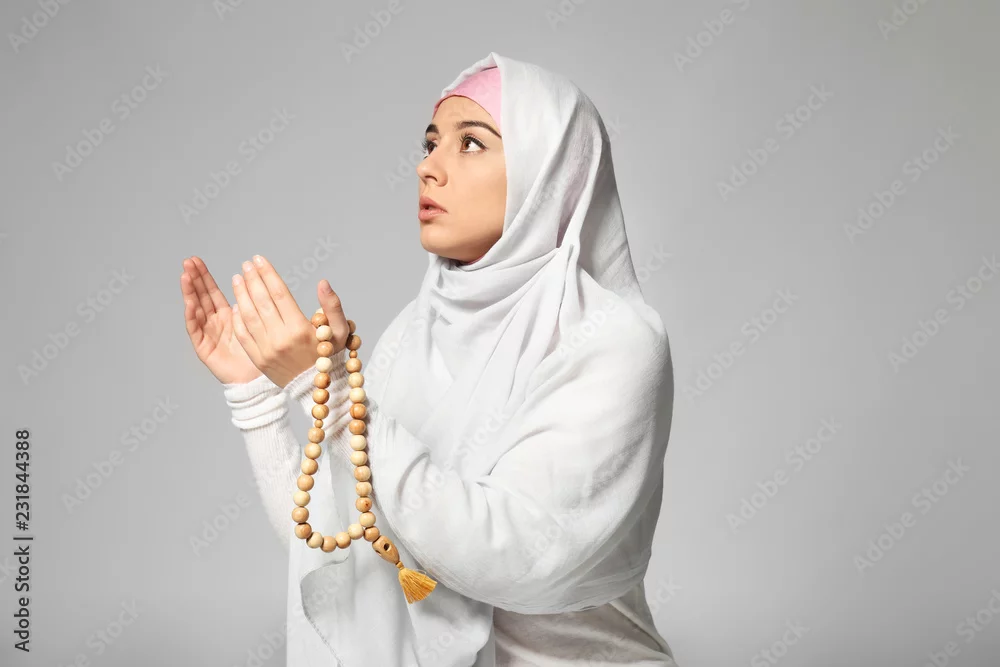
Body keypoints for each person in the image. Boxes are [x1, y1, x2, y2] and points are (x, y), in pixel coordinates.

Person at [179, 51, 677, 667]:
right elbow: (349, 552)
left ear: (549, 173)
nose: (428, 167)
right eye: (431, 142)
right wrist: (254, 394)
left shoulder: (616, 341)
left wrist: (333, 395)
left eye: (472, 143)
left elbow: (517, 558)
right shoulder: (413, 332)